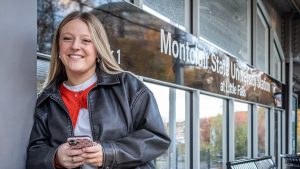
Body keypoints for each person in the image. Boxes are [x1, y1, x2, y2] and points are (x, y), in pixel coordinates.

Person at [27, 11, 170, 169]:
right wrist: (56, 157)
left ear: (98, 49)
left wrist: (109, 153)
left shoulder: (127, 86)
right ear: (58, 48)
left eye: (86, 40)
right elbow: (34, 154)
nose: (75, 46)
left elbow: (156, 138)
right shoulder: (47, 100)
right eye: (67, 38)